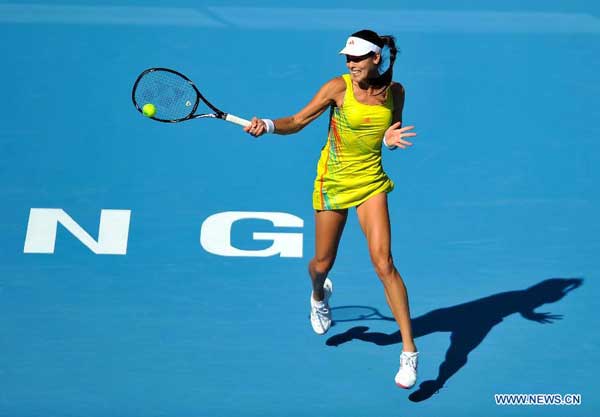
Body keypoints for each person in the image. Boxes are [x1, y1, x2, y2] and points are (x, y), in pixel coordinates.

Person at [243, 29, 419, 389]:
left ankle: (409, 353)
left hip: (371, 181)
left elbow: (391, 129)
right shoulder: (337, 88)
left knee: (384, 262)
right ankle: (319, 294)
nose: (350, 64)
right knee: (322, 263)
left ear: (376, 58)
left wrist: (390, 138)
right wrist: (270, 126)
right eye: (347, 59)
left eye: (356, 58)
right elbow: (298, 120)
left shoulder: (395, 93)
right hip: (333, 182)